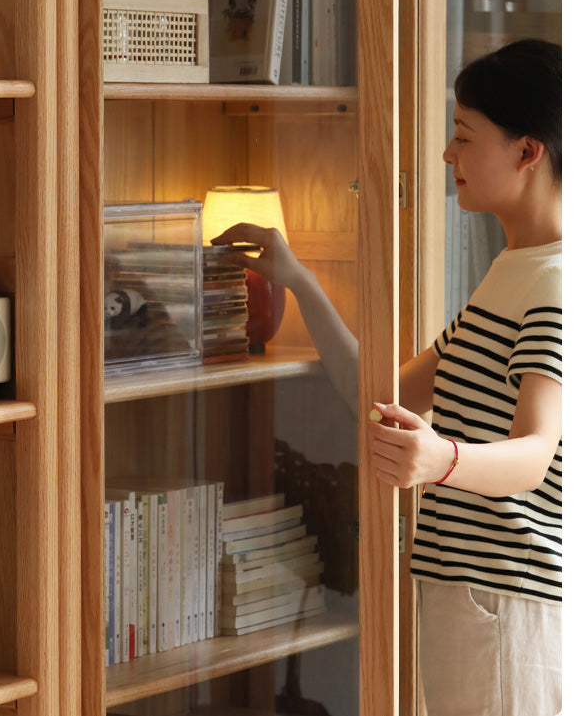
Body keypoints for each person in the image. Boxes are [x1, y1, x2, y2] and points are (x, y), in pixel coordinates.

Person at [212, 38, 562, 716]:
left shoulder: (553, 283)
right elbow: (383, 399)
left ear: (528, 152)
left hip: (506, 602)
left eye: (463, 136)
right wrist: (301, 282)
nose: (446, 156)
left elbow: (536, 454)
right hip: (472, 597)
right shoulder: (512, 273)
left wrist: (440, 459)